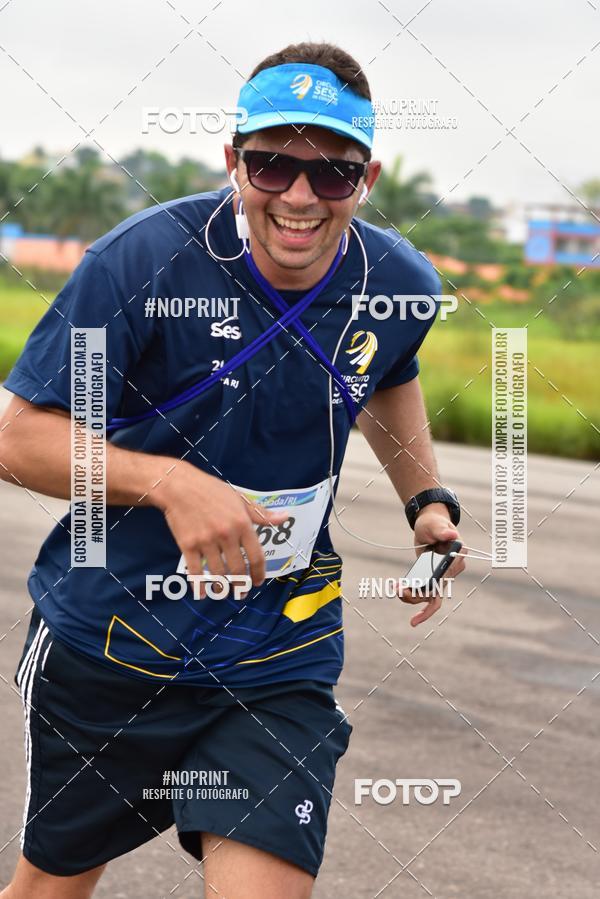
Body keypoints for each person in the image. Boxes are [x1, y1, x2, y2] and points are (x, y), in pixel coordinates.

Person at [0, 41, 465, 899]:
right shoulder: (141, 264)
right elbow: (22, 439)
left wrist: (425, 501)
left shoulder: (397, 281)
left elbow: (386, 372)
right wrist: (173, 483)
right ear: (233, 160)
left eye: (332, 174)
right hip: (114, 644)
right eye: (272, 164)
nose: (297, 195)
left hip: (277, 651)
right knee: (50, 888)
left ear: (367, 178)